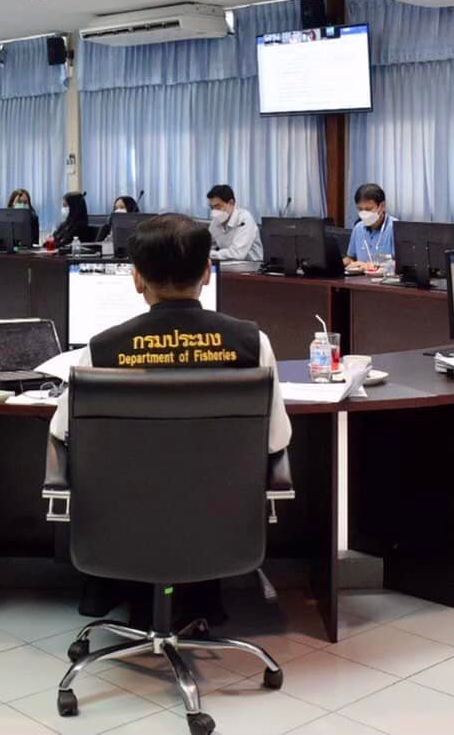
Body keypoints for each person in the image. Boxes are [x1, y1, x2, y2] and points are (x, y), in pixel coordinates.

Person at [46, 213, 291, 622]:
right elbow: (276, 439)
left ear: (136, 278)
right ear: (207, 273)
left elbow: (62, 432)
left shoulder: (101, 349)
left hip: (123, 526)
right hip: (221, 527)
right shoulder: (253, 343)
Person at [206, 184, 264, 263]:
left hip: (251, 266)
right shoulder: (215, 222)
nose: (214, 211)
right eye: (212, 207)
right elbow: (207, 246)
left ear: (231, 203)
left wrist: (208, 254)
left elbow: (237, 254)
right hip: (227, 264)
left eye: (218, 206)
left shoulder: (244, 219)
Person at [344, 183, 396, 270]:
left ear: (382, 206)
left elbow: (401, 265)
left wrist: (370, 267)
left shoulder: (394, 228)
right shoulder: (358, 228)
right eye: (360, 209)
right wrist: (342, 262)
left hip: (384, 278)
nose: (363, 213)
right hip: (359, 278)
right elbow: (351, 258)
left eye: (368, 209)